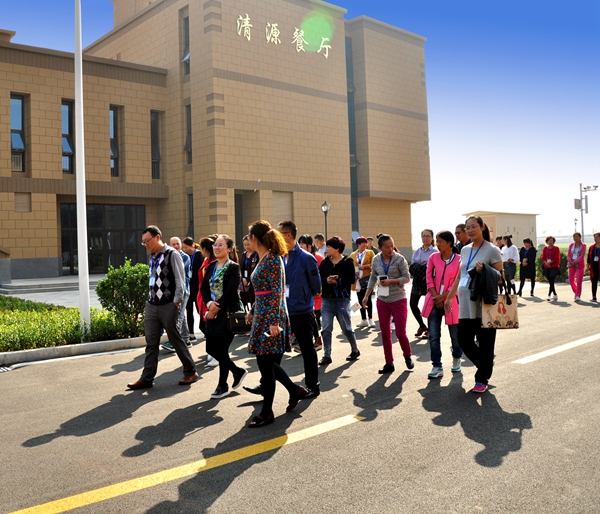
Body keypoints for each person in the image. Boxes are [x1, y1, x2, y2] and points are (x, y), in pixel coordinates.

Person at [244, 220, 307, 427]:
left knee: (265, 364)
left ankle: (267, 412)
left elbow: (277, 292)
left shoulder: (272, 259)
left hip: (271, 319)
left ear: (254, 238)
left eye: (249, 237)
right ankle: (294, 390)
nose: (248, 240)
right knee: (267, 363)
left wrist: (272, 322)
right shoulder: (263, 257)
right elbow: (263, 292)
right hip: (263, 316)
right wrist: (253, 310)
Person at [127, 225, 198, 390]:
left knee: (175, 339)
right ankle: (146, 378)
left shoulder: (172, 254)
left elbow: (181, 281)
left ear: (158, 237)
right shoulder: (152, 256)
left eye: (148, 241)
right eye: (143, 242)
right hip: (152, 305)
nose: (146, 245)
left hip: (168, 305)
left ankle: (190, 371)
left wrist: (176, 302)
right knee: (151, 342)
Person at [444, 216, 503, 394]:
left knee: (485, 344)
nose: (470, 230)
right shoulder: (465, 250)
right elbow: (459, 276)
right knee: (463, 340)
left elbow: (501, 277)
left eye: (473, 226)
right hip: (465, 304)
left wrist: (484, 270)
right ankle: (485, 365)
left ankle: (481, 379)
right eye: (467, 227)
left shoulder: (492, 250)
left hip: (483, 304)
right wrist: (450, 297)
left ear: (482, 227)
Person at [277, 221, 322, 398]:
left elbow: (316, 285)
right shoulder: (280, 256)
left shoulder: (306, 257)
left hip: (302, 310)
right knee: (275, 350)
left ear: (288, 235)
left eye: (279, 234)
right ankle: (265, 385)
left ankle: (312, 385)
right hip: (284, 310)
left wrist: (303, 295)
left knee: (307, 349)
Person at [200, 235, 247, 399]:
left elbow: (231, 291)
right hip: (212, 311)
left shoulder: (233, 267)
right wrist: (209, 304)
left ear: (229, 248)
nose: (216, 247)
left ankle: (222, 385)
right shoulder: (211, 266)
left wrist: (216, 307)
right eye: (215, 245)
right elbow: (204, 288)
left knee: (221, 350)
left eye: (221, 245)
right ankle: (237, 371)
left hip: (227, 312)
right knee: (211, 349)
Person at [361, 234, 413, 373]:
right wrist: (366, 296)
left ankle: (407, 355)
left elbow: (407, 278)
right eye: (387, 247)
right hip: (382, 300)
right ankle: (389, 363)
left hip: (398, 299)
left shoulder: (399, 259)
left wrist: (392, 281)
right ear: (380, 248)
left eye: (392, 246)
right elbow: (373, 278)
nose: (390, 249)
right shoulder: (376, 260)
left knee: (400, 332)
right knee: (385, 333)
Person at [421, 231, 462, 378]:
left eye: (440, 242)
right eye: (436, 241)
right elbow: (429, 278)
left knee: (455, 335)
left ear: (449, 243)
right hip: (434, 301)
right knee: (433, 336)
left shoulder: (459, 260)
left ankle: (457, 357)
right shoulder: (433, 257)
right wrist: (435, 297)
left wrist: (444, 297)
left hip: (451, 301)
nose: (437, 244)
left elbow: (457, 282)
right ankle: (437, 365)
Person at [318, 236, 360, 365]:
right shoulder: (325, 263)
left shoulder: (348, 261)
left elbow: (351, 279)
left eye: (329, 246)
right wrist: (326, 280)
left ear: (337, 249)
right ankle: (327, 355)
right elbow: (320, 278)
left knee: (346, 328)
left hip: (342, 300)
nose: (327, 248)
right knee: (326, 329)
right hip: (326, 300)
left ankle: (355, 349)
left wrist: (338, 280)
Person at [160, 236, 192, 352]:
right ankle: (186, 339)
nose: (176, 246)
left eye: (177, 244)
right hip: (172, 291)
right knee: (181, 315)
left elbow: (178, 274)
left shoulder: (184, 257)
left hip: (183, 291)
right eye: (173, 244)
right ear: (170, 245)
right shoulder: (168, 256)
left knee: (178, 316)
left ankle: (174, 342)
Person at [409, 229, 438, 338]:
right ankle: (422, 325)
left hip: (429, 282)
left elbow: (434, 267)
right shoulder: (417, 251)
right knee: (413, 304)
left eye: (428, 236)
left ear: (432, 238)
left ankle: (431, 329)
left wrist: (425, 272)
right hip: (417, 281)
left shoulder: (435, 252)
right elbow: (412, 267)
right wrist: (422, 270)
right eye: (423, 236)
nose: (425, 238)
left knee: (430, 306)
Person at [298, 234, 324, 351]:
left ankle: (317, 340)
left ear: (309, 245)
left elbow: (321, 276)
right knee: (309, 319)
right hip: (304, 294)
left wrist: (318, 289)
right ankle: (308, 342)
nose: (301, 246)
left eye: (303, 243)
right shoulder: (300, 257)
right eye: (300, 243)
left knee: (313, 319)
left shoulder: (318, 258)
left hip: (316, 295)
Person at [197, 236, 219, 367]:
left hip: (211, 299)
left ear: (205, 249)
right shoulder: (206, 261)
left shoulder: (215, 262)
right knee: (205, 326)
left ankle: (216, 353)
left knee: (211, 327)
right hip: (203, 298)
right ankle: (213, 351)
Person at [350, 236, 375, 328]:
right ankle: (363, 319)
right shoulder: (353, 255)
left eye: (366, 243)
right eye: (363, 243)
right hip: (357, 281)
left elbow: (374, 264)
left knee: (368, 299)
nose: (365, 245)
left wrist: (365, 266)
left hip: (367, 279)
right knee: (360, 300)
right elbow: (351, 266)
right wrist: (354, 273)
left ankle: (371, 318)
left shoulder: (370, 252)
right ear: (358, 244)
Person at [182, 236, 202, 344]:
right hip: (189, 287)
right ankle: (191, 334)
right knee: (189, 311)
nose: (185, 249)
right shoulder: (185, 256)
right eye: (184, 248)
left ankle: (205, 329)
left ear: (192, 245)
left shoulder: (198, 255)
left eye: (186, 247)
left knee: (199, 310)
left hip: (198, 287)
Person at [239, 234, 259, 309]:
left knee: (252, 300)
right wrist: (243, 278)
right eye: (245, 245)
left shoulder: (256, 254)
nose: (247, 247)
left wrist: (248, 279)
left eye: (248, 244)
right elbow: (241, 268)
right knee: (243, 299)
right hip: (244, 281)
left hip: (252, 281)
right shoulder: (244, 255)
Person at [567, 232, 586, 302]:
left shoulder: (583, 245)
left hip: (579, 265)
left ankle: (578, 295)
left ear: (580, 237)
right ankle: (576, 291)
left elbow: (582, 255)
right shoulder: (571, 245)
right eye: (574, 237)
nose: (575, 238)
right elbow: (569, 255)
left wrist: (575, 262)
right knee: (571, 280)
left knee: (578, 281)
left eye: (577, 236)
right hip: (571, 265)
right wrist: (570, 261)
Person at [541, 236, 561, 301]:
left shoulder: (556, 248)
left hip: (554, 266)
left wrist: (550, 262)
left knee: (552, 280)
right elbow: (543, 257)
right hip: (546, 266)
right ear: (547, 241)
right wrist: (546, 263)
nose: (550, 242)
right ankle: (555, 294)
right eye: (549, 240)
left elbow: (556, 257)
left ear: (553, 241)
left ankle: (549, 295)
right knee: (550, 281)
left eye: (551, 240)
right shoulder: (545, 248)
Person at [587, 232, 600, 302]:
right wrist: (589, 264)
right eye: (594, 237)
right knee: (594, 282)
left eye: (597, 237)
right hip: (594, 267)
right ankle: (594, 297)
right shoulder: (592, 247)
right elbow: (589, 257)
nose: (595, 239)